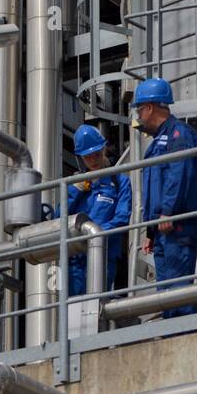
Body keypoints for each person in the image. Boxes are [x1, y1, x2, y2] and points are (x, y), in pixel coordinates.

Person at [132, 78, 197, 318]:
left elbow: (178, 174)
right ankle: (172, 336)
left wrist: (168, 212)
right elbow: (154, 188)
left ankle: (182, 338)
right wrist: (151, 231)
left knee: (178, 291)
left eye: (139, 109)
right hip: (163, 230)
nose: (138, 116)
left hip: (178, 226)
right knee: (165, 294)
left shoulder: (179, 134)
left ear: (150, 108)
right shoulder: (157, 143)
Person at [63, 125, 132, 297]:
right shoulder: (75, 184)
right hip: (76, 260)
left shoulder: (119, 181)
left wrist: (96, 234)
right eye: (88, 157)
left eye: (96, 154)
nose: (93, 160)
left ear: (103, 150)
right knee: (73, 311)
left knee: (96, 308)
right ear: (81, 158)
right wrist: (74, 191)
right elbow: (59, 219)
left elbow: (122, 218)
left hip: (104, 254)